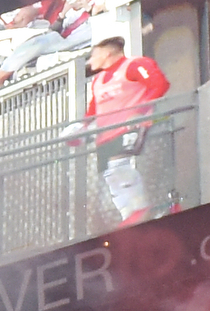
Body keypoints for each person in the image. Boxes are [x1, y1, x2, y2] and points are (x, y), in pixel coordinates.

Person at [72, 29, 172, 225]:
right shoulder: (98, 80)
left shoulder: (134, 65)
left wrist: (140, 111)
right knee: (111, 177)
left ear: (106, 53)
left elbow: (159, 83)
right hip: (105, 135)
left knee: (119, 167)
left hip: (129, 128)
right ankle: (129, 217)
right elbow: (93, 108)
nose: (90, 60)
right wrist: (81, 128)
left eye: (93, 54)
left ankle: (141, 208)